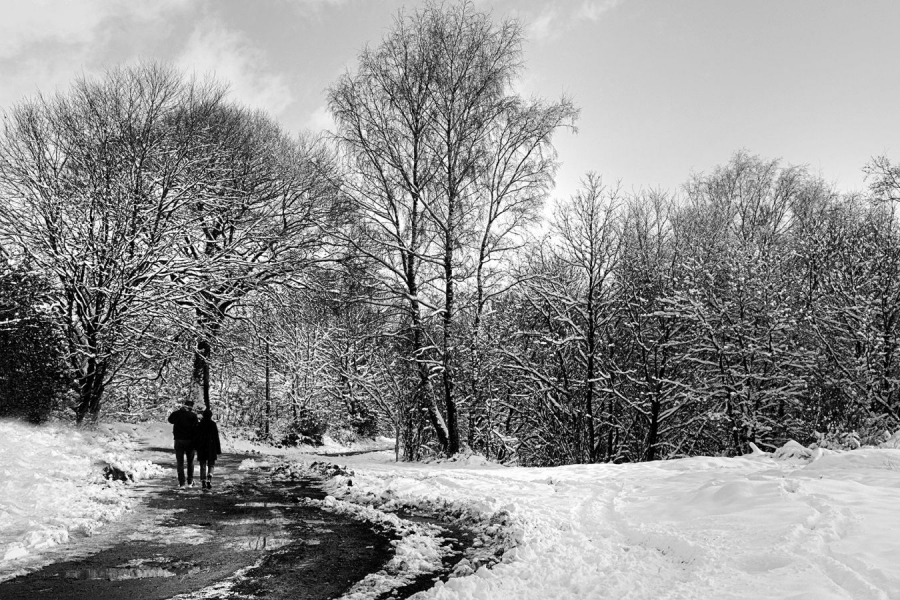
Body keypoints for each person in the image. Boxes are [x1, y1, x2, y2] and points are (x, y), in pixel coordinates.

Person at [168, 399, 199, 488]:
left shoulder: (177, 414)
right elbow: (196, 429)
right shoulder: (193, 416)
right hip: (190, 441)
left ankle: (182, 483)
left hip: (179, 440)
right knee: (190, 462)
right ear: (191, 407)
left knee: (180, 462)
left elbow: (170, 420)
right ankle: (190, 481)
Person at [194, 408, 222, 489]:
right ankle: (209, 477)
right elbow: (216, 437)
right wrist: (218, 449)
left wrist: (196, 447)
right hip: (211, 447)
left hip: (202, 447)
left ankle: (203, 480)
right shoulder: (213, 424)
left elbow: (196, 437)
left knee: (202, 465)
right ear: (211, 415)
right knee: (211, 464)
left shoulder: (200, 424)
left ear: (203, 415)